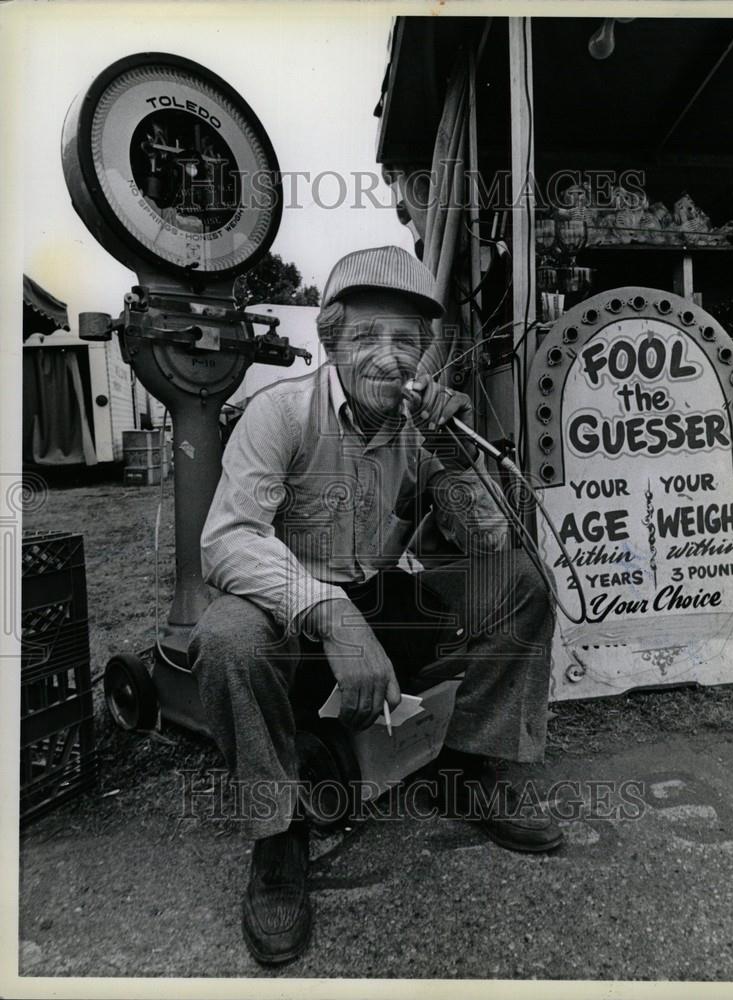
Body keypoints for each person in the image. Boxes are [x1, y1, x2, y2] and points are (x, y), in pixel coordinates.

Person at [188, 245, 561, 965]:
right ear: (331, 344)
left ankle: (465, 768)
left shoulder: (423, 430)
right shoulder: (281, 415)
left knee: (519, 582)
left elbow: (485, 540)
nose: (388, 359)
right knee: (226, 636)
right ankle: (278, 835)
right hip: (290, 617)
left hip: (381, 602)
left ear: (426, 356)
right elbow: (228, 543)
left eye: (407, 343)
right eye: (365, 337)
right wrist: (330, 614)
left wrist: (455, 454)